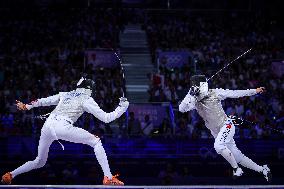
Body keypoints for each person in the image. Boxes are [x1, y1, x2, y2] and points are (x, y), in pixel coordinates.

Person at [1, 76, 129, 185]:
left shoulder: (66, 94)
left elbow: (45, 100)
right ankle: (108, 177)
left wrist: (27, 106)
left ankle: (10, 174)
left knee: (39, 161)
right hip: (62, 126)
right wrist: (122, 108)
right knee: (96, 142)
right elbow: (106, 118)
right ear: (90, 89)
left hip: (47, 126)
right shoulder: (87, 99)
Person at [179, 75, 272, 181]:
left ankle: (236, 169)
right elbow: (181, 109)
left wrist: (255, 91)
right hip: (215, 131)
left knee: (218, 146)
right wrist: (189, 94)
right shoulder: (194, 100)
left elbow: (235, 93)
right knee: (237, 156)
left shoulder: (215, 92)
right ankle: (262, 169)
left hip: (226, 125)